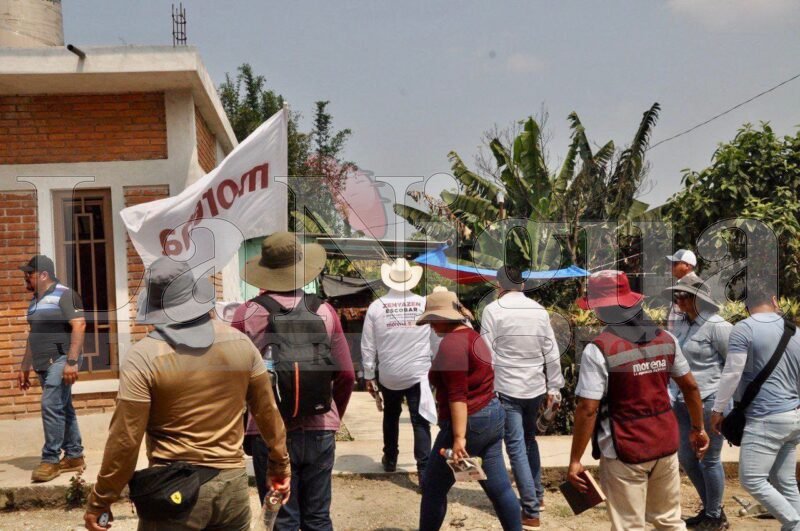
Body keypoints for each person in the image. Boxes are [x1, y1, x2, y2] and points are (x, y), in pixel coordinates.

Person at [83, 257, 290, 531]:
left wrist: (102, 499)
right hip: (231, 487)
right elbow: (267, 413)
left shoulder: (143, 357)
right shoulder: (241, 345)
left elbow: (126, 439)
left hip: (174, 493)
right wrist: (279, 466)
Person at [568, 270, 709, 531]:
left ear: (603, 309)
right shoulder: (667, 340)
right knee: (669, 521)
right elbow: (690, 387)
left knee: (629, 525)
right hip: (666, 443)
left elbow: (588, 409)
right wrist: (698, 428)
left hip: (625, 448)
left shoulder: (599, 349)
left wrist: (575, 459)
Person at [233, 232, 355, 531]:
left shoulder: (247, 313)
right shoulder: (325, 311)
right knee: (318, 516)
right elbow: (347, 375)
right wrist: (329, 410)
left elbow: (232, 378)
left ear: (265, 269)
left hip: (267, 431)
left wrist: (242, 422)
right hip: (320, 429)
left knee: (283, 519)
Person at [417, 289, 522, 531]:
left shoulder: (452, 345)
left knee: (433, 487)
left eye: (432, 319)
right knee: (499, 487)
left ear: (445, 317)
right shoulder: (472, 336)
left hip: (470, 419)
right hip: (491, 412)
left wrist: (458, 438)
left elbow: (457, 396)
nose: (430, 325)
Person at [710, 279, 800, 530]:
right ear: (774, 301)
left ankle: (794, 520)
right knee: (785, 482)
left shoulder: (744, 329)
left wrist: (718, 409)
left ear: (747, 306)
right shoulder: (795, 332)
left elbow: (732, 373)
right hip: (793, 417)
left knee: (751, 480)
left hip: (764, 419)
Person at [481, 265, 563, 530]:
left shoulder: (493, 310)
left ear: (498, 286)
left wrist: (485, 388)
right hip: (536, 387)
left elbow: (486, 353)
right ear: (523, 286)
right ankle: (536, 497)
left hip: (507, 388)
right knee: (528, 441)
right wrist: (554, 388)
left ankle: (530, 510)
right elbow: (551, 351)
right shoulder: (539, 311)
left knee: (516, 446)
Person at [663, 277, 732, 530]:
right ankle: (712, 510)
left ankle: (714, 515)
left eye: (683, 296)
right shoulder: (680, 324)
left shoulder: (718, 326)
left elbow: (734, 367)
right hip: (682, 400)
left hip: (709, 399)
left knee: (710, 458)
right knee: (687, 458)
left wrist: (723, 406)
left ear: (698, 299)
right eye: (677, 296)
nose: (678, 301)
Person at [361, 258, 435, 477]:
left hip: (389, 375)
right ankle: (424, 471)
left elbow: (368, 345)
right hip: (418, 373)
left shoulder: (376, 307)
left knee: (391, 416)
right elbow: (435, 339)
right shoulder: (424, 304)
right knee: (420, 421)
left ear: (389, 281)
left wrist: (368, 375)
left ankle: (390, 458)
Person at [17, 255, 86, 483]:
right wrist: (24, 366)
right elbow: (33, 335)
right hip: (42, 363)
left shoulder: (65, 294)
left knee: (50, 404)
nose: (26, 277)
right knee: (62, 406)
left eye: (30, 273)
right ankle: (75, 455)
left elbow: (79, 324)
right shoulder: (35, 301)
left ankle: (51, 460)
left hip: (62, 358)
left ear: (44, 274)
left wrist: (72, 362)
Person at [666, 249, 701, 331]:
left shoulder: (694, 285)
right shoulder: (681, 283)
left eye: (675, 264)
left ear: (687, 266)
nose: (671, 266)